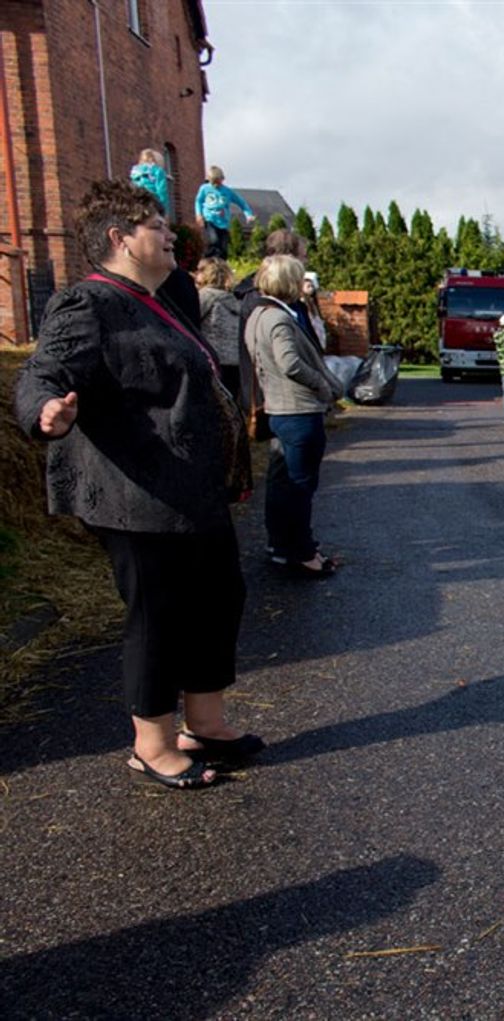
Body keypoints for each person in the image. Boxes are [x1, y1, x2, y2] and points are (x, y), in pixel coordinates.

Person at [13, 179, 260, 790]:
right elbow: (41, 372)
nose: (171, 234)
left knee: (217, 598)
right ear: (120, 239)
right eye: (156, 224)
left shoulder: (163, 297)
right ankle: (152, 744)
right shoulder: (88, 303)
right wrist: (46, 410)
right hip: (138, 496)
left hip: (193, 492)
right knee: (158, 615)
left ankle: (205, 724)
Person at [246, 253, 345, 578]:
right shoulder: (278, 318)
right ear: (289, 282)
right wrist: (321, 384)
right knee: (300, 487)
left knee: (281, 485)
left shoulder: (258, 314)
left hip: (280, 410)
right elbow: (289, 362)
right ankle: (302, 553)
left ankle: (281, 547)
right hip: (298, 412)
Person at [194, 256, 246, 405]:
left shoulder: (206, 296)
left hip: (213, 360)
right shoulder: (233, 300)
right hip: (235, 362)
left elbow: (191, 320)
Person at [194, 165, 253, 260]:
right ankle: (208, 261)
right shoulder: (204, 189)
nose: (216, 185)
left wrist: (248, 214)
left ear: (222, 179)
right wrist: (199, 214)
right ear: (209, 180)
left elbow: (241, 202)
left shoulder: (227, 191)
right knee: (214, 241)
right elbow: (198, 201)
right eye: (213, 183)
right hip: (210, 219)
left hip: (223, 223)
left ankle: (222, 264)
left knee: (223, 248)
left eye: (218, 182)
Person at [301, 271, 329, 353]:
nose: (311, 289)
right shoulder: (302, 301)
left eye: (312, 286)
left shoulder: (312, 301)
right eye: (308, 286)